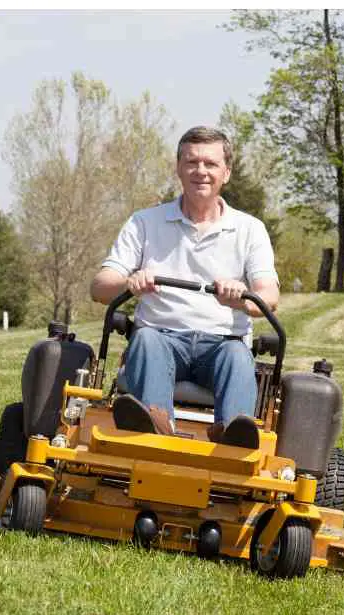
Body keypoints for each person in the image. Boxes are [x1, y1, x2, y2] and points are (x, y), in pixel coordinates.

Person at [89, 126, 280, 448]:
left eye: (210, 164)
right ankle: (155, 425)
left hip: (222, 343)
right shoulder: (144, 222)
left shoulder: (250, 229)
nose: (200, 172)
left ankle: (233, 434)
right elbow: (99, 287)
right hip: (161, 338)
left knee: (237, 355)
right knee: (146, 338)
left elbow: (269, 298)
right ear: (179, 168)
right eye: (191, 163)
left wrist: (241, 298)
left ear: (226, 173)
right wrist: (129, 283)